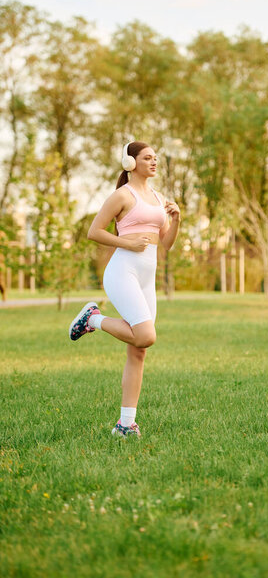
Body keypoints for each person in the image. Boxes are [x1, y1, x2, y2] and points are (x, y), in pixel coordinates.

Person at [68, 141, 180, 438]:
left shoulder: (158, 197)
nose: (154, 162)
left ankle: (125, 424)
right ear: (131, 163)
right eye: (147, 157)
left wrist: (176, 219)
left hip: (147, 278)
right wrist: (128, 243)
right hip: (123, 272)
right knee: (146, 335)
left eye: (155, 158)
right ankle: (93, 319)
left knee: (139, 351)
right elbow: (95, 232)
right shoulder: (121, 195)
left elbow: (165, 245)